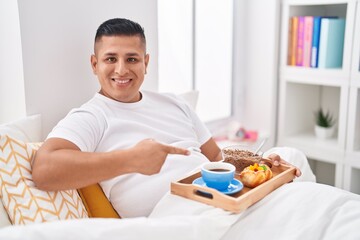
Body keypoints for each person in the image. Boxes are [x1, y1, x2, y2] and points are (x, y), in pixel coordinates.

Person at [32, 18, 302, 218]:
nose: (121, 69)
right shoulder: (91, 116)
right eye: (110, 59)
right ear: (95, 64)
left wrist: (257, 166)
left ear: (146, 63)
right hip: (178, 214)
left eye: (132, 59)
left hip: (225, 199)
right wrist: (129, 160)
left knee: (294, 164)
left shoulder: (175, 103)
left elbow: (218, 160)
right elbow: (44, 170)